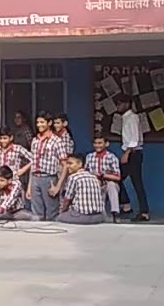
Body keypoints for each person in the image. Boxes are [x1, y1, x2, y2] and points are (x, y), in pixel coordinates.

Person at [114, 93, 149, 221]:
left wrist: (127, 153)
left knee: (136, 182)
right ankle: (126, 204)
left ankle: (144, 212)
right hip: (131, 152)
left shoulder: (132, 118)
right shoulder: (125, 118)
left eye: (119, 103)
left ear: (127, 104)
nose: (117, 106)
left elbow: (134, 138)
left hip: (133, 153)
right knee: (116, 177)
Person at [28, 112, 67, 220]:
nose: (39, 125)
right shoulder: (35, 141)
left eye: (42, 122)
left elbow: (64, 165)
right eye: (37, 122)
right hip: (35, 177)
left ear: (49, 123)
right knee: (36, 213)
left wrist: (58, 186)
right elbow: (33, 163)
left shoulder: (57, 141)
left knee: (52, 213)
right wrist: (29, 187)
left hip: (49, 178)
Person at [55, 153, 107, 224]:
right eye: (67, 163)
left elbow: (67, 200)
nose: (67, 166)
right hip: (99, 216)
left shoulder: (73, 177)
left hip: (82, 216)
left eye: (70, 163)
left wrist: (62, 212)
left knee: (59, 218)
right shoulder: (94, 177)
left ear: (80, 164)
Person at [85, 134, 122, 221]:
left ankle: (115, 212)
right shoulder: (89, 157)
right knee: (95, 185)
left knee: (112, 185)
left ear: (106, 144)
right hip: (94, 183)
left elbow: (118, 177)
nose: (97, 145)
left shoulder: (112, 157)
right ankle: (100, 214)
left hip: (108, 183)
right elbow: (85, 172)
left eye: (100, 143)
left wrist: (103, 176)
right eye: (95, 143)